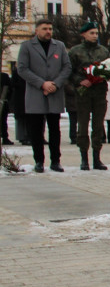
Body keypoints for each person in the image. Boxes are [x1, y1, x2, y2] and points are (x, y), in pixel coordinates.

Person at [18, 19, 71, 173]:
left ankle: (56, 161)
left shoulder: (59, 46)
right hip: (36, 93)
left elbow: (67, 67)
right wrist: (42, 84)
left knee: (54, 129)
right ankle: (39, 161)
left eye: (50, 29)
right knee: (36, 130)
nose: (48, 31)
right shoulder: (27, 46)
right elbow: (22, 69)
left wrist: (55, 84)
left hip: (54, 93)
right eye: (45, 29)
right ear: (37, 31)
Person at [68, 21, 110, 171]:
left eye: (96, 33)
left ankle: (97, 158)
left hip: (99, 92)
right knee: (83, 126)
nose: (95, 36)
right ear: (83, 34)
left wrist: (103, 76)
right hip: (83, 93)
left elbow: (109, 68)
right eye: (91, 33)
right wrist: (79, 81)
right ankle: (84, 158)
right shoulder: (75, 51)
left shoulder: (103, 51)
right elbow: (68, 71)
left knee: (98, 126)